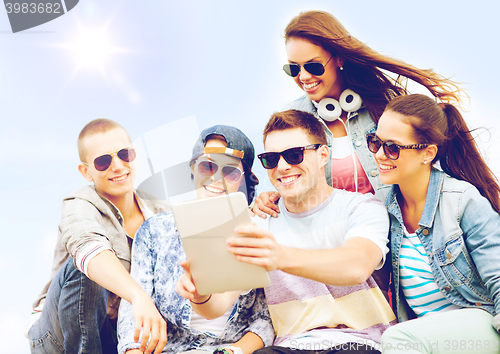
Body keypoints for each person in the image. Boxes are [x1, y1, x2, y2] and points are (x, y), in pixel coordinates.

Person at [178, 110, 396, 354]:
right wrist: (199, 295)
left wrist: (279, 256)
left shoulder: (361, 207)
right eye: (271, 159)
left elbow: (356, 266)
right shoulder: (257, 223)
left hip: (361, 343)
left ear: (323, 155)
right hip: (288, 347)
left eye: (294, 154)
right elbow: (217, 306)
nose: (282, 167)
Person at [253, 9, 462, 215]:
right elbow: (289, 174)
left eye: (314, 66)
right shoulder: (294, 118)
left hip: (394, 233)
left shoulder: (385, 105)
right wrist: (272, 196)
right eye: (294, 69)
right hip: (333, 239)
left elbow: (421, 162)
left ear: (339, 59)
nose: (304, 77)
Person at [117, 125, 274, 354]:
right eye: (207, 166)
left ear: (243, 179)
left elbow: (264, 318)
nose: (216, 177)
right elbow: (133, 313)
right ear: (193, 169)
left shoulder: (255, 230)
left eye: (230, 171)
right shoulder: (154, 231)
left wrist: (232, 352)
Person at [366, 94, 500, 354]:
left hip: (483, 326)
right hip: (426, 339)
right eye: (375, 141)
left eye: (392, 147)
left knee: (395, 340)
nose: (380, 154)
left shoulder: (462, 201)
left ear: (427, 153)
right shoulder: (384, 208)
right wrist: (278, 200)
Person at [28, 119, 171, 354]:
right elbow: (87, 248)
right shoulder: (79, 205)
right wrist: (138, 296)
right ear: (86, 171)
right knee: (86, 268)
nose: (117, 166)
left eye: (124, 154)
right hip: (57, 335)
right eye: (103, 161)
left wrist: (254, 209)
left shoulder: (162, 210)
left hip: (116, 333)